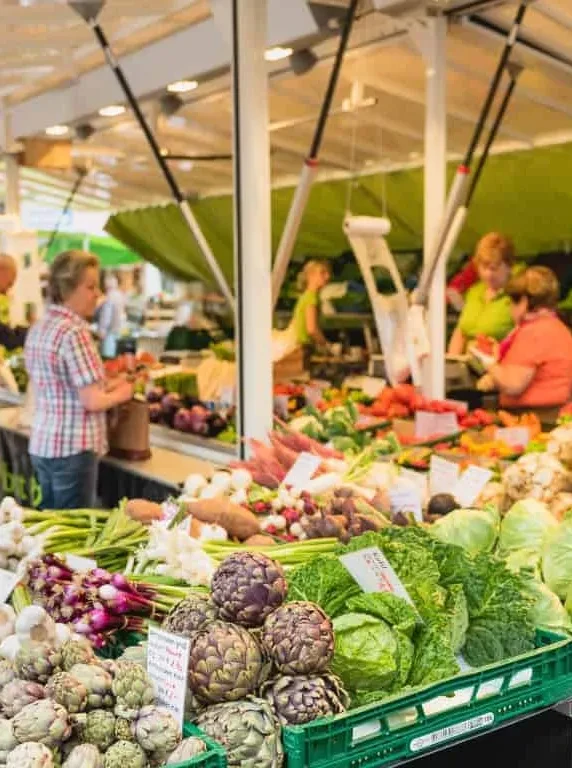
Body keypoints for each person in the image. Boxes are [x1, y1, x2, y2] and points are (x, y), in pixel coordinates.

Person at [24, 251, 133, 510]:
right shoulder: (75, 333)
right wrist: (125, 392)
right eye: (91, 286)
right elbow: (92, 400)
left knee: (50, 528)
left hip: (43, 443)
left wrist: (111, 383)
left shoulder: (40, 327)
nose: (97, 294)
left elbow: (64, 387)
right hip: (73, 450)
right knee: (72, 531)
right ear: (68, 288)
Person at [473, 266, 572, 411]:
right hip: (557, 416)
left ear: (525, 301)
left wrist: (488, 363)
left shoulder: (533, 332)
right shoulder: (558, 327)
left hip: (536, 418)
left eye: (512, 302)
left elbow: (513, 385)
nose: (510, 309)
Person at [448, 233, 515, 354]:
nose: (488, 274)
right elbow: (461, 331)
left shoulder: (517, 296)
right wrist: (452, 361)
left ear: (509, 266)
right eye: (484, 267)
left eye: (495, 268)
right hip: (467, 365)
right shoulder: (474, 292)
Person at [290, 260, 331, 353]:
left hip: (299, 345)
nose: (328, 276)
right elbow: (312, 329)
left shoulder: (306, 296)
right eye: (322, 273)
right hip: (302, 347)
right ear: (311, 276)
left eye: (328, 273)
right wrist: (327, 345)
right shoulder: (311, 298)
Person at [97, 274, 126, 359]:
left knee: (107, 359)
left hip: (109, 334)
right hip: (118, 330)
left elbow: (106, 316)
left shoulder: (109, 297)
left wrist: (101, 331)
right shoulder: (120, 295)